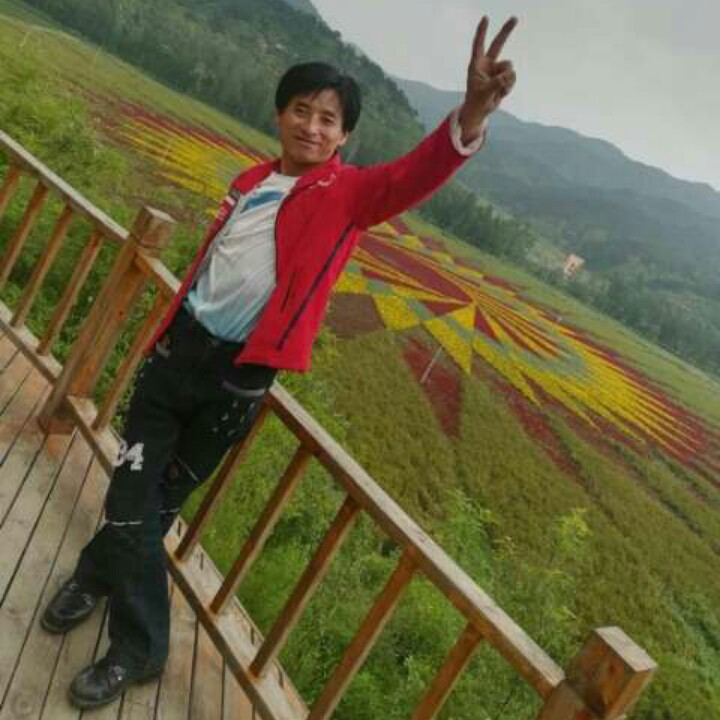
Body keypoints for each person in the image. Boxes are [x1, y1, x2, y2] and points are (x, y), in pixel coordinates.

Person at [41, 15, 518, 709]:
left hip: (236, 379)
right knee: (131, 494)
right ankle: (136, 640)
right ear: (280, 114)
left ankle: (99, 585)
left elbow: (414, 174)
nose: (312, 127)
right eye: (301, 110)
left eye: (328, 119)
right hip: (176, 356)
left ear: (344, 136)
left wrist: (470, 113)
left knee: (157, 502)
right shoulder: (250, 179)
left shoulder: (347, 195)